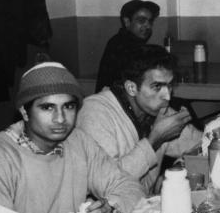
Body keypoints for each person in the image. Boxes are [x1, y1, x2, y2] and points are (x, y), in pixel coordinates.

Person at [0, 62, 145, 213]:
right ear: (24, 112)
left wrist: (110, 209)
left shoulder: (78, 141)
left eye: (68, 106)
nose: (60, 118)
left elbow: (129, 187)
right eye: (48, 107)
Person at [77, 45, 202, 194]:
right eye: (157, 87)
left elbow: (202, 143)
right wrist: (154, 140)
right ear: (131, 88)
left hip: (143, 209)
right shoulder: (95, 113)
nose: (167, 96)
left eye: (169, 86)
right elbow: (107, 184)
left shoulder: (154, 109)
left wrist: (176, 170)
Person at [95, 0, 160, 93]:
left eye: (150, 21)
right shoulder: (121, 45)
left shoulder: (128, 41)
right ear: (127, 22)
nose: (148, 26)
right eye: (141, 20)